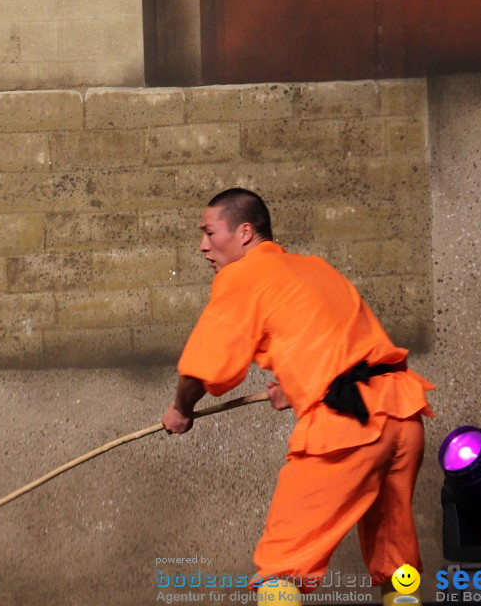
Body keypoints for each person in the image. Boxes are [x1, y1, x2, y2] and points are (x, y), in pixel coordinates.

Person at [162, 188, 434, 603]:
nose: (202, 246)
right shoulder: (313, 268)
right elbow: (342, 342)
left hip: (348, 425)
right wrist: (299, 386)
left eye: (209, 233)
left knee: (281, 567)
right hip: (402, 413)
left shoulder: (242, 276)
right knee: (395, 563)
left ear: (245, 233)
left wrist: (181, 409)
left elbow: (201, 368)